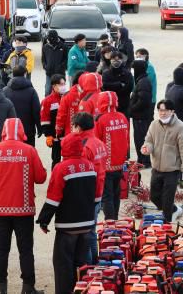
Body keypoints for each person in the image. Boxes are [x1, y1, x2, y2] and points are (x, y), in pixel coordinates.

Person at [0, 118, 47, 294]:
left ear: (3, 131)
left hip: (1, 209)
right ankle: (28, 287)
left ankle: (1, 287)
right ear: (21, 131)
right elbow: (41, 178)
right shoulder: (29, 151)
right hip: (24, 209)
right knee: (25, 250)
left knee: (1, 249)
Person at [36, 133, 97, 294]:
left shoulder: (61, 168)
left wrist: (44, 220)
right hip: (87, 224)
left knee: (63, 265)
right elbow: (96, 194)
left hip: (68, 225)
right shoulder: (90, 166)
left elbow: (53, 197)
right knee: (81, 264)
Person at [140, 99, 183, 223]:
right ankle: (175, 209)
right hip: (156, 168)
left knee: (167, 201)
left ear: (172, 111)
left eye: (165, 110)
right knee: (154, 197)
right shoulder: (154, 125)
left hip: (172, 170)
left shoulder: (180, 127)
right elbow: (149, 141)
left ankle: (167, 225)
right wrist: (147, 148)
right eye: (160, 110)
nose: (162, 113)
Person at [71, 112, 107, 264]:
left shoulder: (85, 146)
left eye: (73, 126)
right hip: (99, 192)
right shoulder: (99, 143)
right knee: (91, 232)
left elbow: (82, 174)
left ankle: (89, 269)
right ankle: (95, 264)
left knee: (85, 236)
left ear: (78, 128)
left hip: (88, 196)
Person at [95, 91, 130, 220]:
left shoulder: (100, 120)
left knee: (107, 196)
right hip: (120, 163)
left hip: (106, 165)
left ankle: (110, 223)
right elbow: (127, 139)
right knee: (116, 194)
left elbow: (96, 142)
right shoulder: (122, 117)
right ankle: (114, 219)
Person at [4, 66, 41, 147]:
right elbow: (36, 111)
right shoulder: (31, 91)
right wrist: (39, 127)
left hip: (9, 129)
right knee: (28, 153)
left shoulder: (5, 91)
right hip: (28, 130)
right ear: (25, 74)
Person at [40, 74, 68, 169]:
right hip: (55, 137)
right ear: (54, 86)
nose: (63, 86)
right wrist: (48, 135)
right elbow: (44, 119)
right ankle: (55, 180)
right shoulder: (48, 101)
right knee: (56, 160)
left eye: (64, 84)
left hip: (68, 136)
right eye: (61, 84)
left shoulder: (68, 98)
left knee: (68, 159)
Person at [130, 60, 154, 168]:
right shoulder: (142, 80)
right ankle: (142, 160)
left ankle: (145, 161)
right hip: (139, 116)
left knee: (141, 139)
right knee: (139, 139)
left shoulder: (143, 82)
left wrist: (132, 109)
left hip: (141, 116)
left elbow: (143, 101)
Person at [101, 51, 134, 118]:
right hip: (110, 105)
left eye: (118, 59)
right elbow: (104, 86)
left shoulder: (127, 73)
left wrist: (113, 89)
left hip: (124, 105)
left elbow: (129, 87)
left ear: (122, 60)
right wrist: (119, 85)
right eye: (113, 59)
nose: (116, 61)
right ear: (110, 60)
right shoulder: (106, 73)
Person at [55, 71, 85, 140]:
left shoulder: (67, 96)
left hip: (70, 135)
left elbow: (61, 116)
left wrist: (58, 132)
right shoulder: (90, 95)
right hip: (86, 136)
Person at [42, 30, 68, 96]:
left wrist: (61, 67)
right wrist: (45, 66)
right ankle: (47, 105)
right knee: (47, 91)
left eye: (52, 39)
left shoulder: (63, 46)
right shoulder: (45, 47)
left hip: (60, 73)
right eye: (49, 39)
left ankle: (61, 104)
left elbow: (66, 59)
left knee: (61, 91)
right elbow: (43, 59)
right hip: (49, 73)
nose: (50, 40)